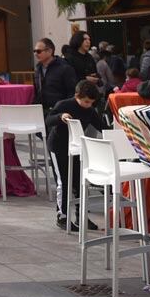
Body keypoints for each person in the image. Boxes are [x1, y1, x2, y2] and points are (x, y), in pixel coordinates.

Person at [46, 80, 103, 230]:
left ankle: (81, 216)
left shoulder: (90, 110)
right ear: (77, 96)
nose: (88, 105)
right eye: (86, 101)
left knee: (79, 182)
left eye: (91, 102)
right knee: (63, 182)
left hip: (77, 149)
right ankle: (62, 216)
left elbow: (101, 127)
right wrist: (61, 117)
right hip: (58, 147)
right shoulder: (64, 104)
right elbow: (48, 120)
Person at [33, 38, 78, 114]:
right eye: (34, 51)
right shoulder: (38, 68)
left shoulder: (64, 67)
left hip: (60, 111)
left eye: (39, 51)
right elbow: (37, 91)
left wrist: (66, 110)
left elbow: (72, 91)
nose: (35, 54)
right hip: (42, 110)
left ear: (50, 51)